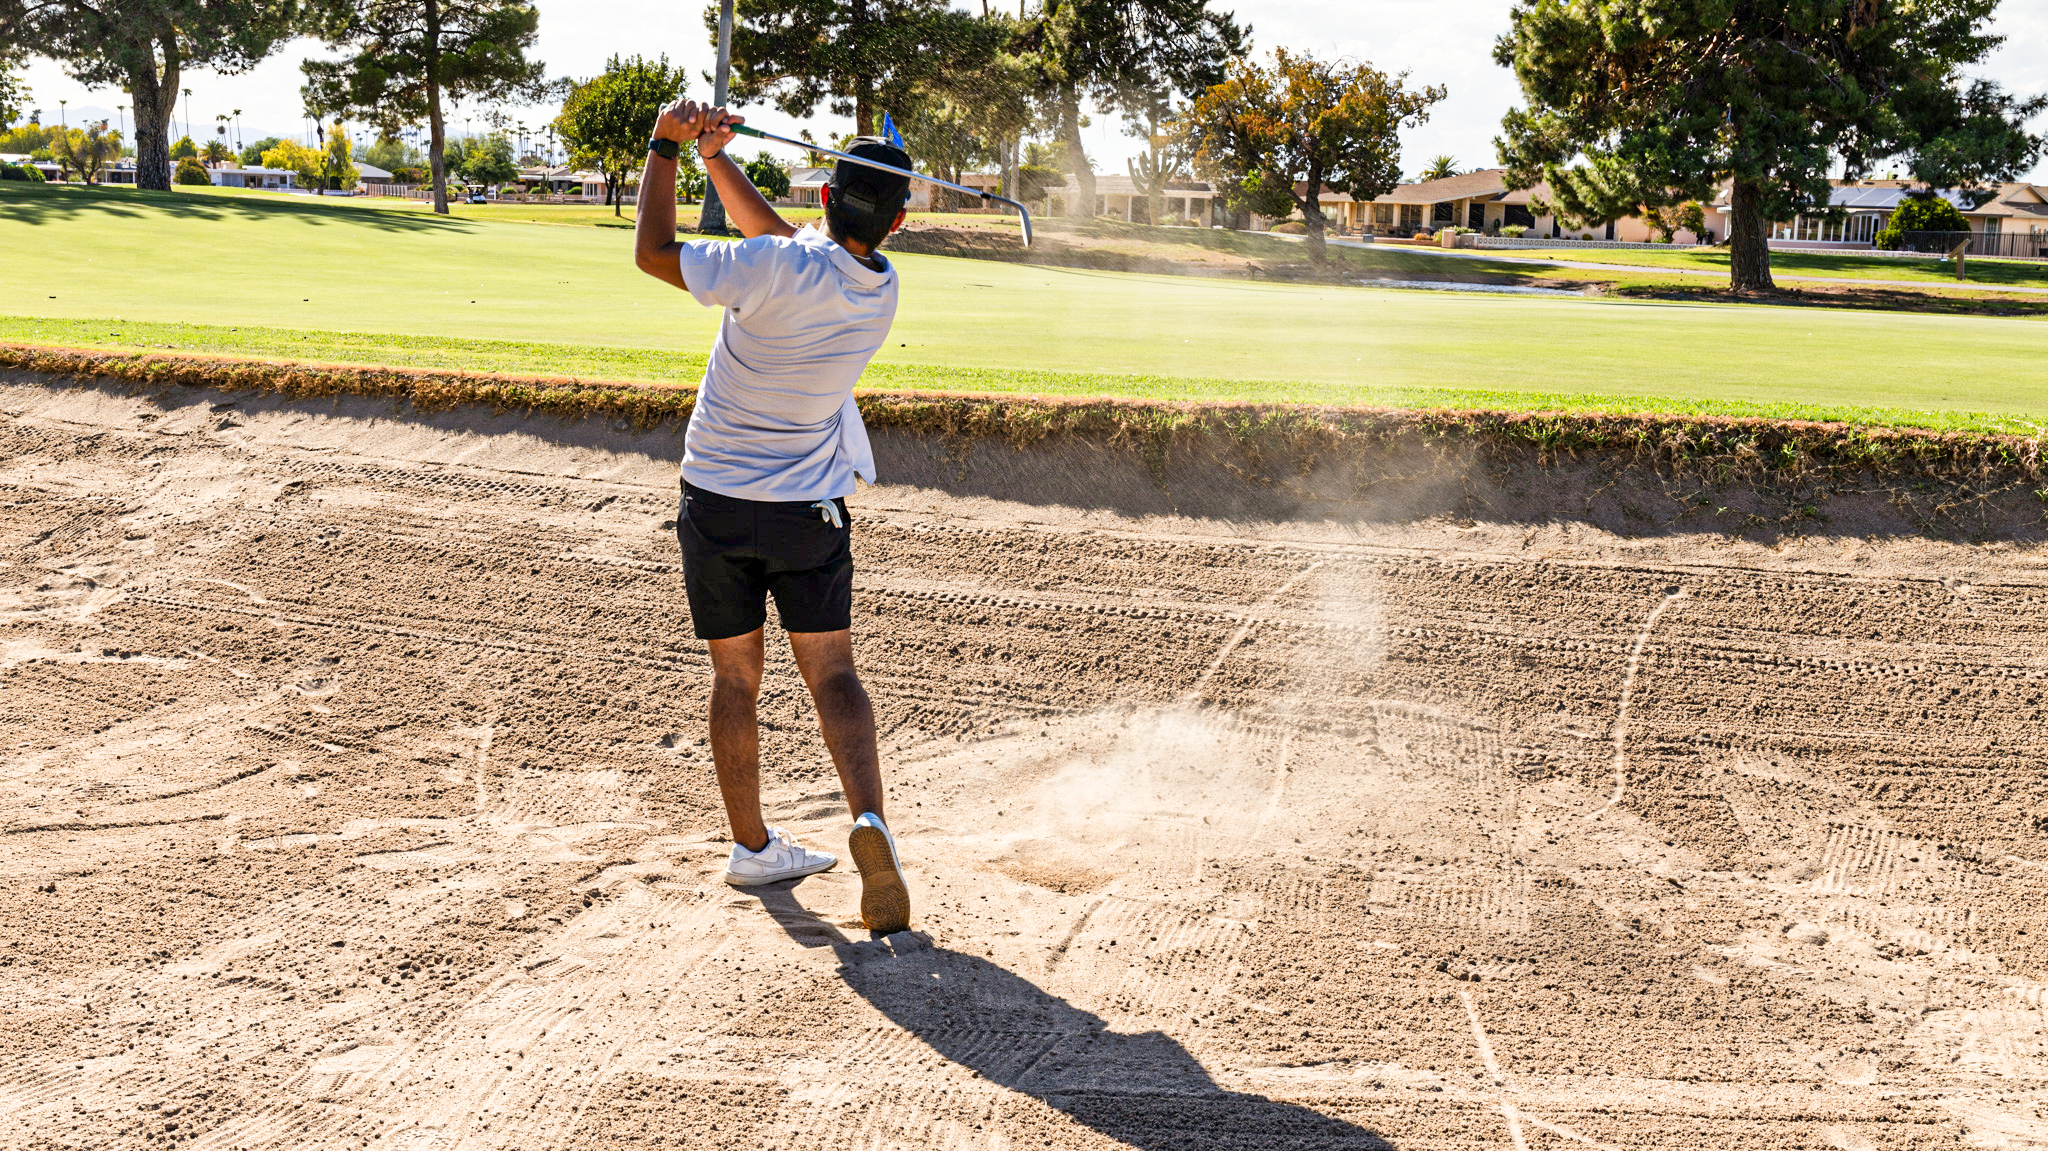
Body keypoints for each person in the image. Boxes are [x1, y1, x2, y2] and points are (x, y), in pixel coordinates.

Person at [632, 99, 910, 934]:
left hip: (716, 499)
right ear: (893, 222)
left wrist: (667, 147)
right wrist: (719, 161)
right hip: (806, 512)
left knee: (734, 679)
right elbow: (791, 249)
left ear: (825, 198)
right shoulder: (878, 288)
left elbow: (652, 253)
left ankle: (752, 846)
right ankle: (870, 823)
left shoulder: (768, 271)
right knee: (834, 675)